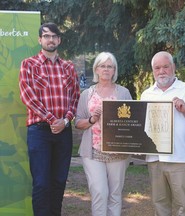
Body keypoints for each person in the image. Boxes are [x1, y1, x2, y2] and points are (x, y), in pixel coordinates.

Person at [19, 22, 80, 216]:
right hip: (39, 131)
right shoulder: (29, 64)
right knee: (42, 183)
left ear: (59, 40)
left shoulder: (69, 67)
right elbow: (28, 96)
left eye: (54, 36)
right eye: (46, 36)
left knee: (59, 181)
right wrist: (53, 119)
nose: (50, 39)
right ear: (40, 40)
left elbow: (75, 96)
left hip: (64, 131)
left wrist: (65, 120)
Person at [140, 51, 185, 216]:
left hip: (180, 158)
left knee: (184, 205)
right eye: (157, 68)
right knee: (159, 204)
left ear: (173, 67)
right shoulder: (146, 94)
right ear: (153, 70)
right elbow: (140, 126)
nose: (162, 71)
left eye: (166, 67)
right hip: (155, 159)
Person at [75, 52, 132, 216]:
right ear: (96, 69)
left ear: (114, 70)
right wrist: (93, 119)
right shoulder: (87, 94)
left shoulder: (123, 93)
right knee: (99, 192)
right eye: (102, 66)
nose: (106, 69)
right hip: (93, 151)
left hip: (118, 152)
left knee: (115, 194)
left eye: (110, 66)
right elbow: (78, 122)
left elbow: (132, 123)